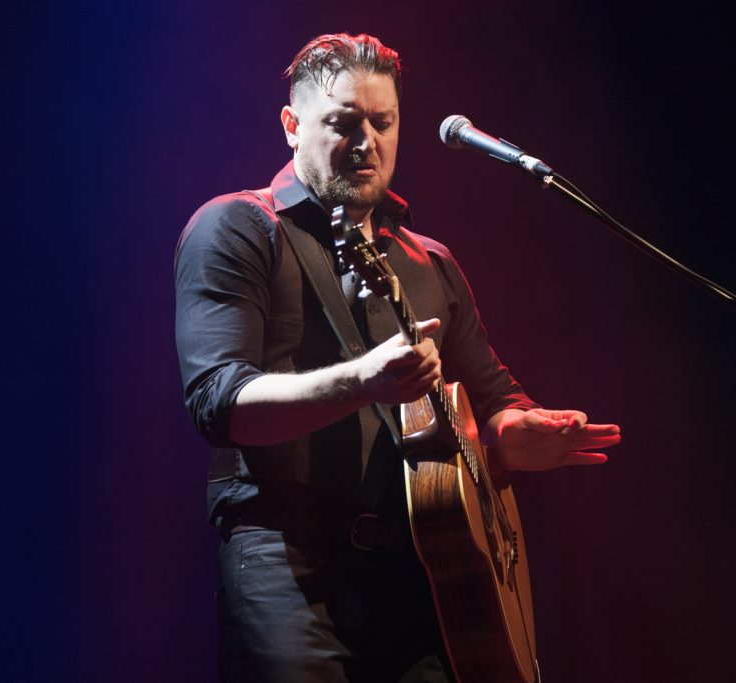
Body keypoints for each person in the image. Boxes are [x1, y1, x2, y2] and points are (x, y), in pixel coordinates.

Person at [174, 32, 621, 683]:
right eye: (343, 123)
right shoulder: (238, 228)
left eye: (382, 123)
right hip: (286, 566)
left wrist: (514, 433)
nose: (366, 142)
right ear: (292, 126)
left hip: (423, 580)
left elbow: (495, 401)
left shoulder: (428, 260)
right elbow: (219, 403)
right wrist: (363, 380)